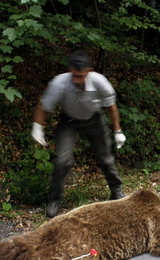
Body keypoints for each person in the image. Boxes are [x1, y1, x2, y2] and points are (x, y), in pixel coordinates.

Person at [31, 50, 126, 218]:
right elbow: (43, 107)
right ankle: (54, 200)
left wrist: (117, 131)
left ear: (89, 72)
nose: (77, 80)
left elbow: (111, 107)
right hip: (69, 121)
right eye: (74, 75)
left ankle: (117, 191)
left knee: (105, 158)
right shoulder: (59, 83)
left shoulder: (100, 82)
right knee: (62, 161)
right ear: (70, 71)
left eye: (81, 76)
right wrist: (37, 127)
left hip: (94, 120)